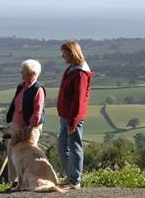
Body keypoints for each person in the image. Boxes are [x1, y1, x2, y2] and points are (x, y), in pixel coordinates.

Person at [57, 41, 93, 189]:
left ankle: (75, 180)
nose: (62, 56)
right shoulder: (71, 69)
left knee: (74, 147)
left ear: (72, 53)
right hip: (66, 116)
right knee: (62, 146)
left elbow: (78, 100)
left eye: (64, 52)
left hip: (73, 117)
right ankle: (70, 176)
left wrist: (73, 121)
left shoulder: (80, 73)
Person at [5, 59, 46, 188]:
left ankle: (30, 180)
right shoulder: (21, 86)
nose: (21, 73)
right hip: (17, 126)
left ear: (32, 74)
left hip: (30, 128)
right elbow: (15, 104)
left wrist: (30, 129)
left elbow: (37, 112)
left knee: (28, 154)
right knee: (12, 151)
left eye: (23, 71)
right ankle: (15, 181)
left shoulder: (38, 89)